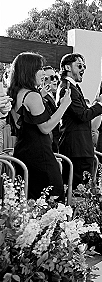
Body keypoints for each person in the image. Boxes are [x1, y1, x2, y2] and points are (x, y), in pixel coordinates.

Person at [7, 52, 72, 200]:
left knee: (30, 200)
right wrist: (63, 106)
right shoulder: (32, 95)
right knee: (52, 199)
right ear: (29, 71)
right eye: (40, 68)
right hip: (39, 154)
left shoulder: (16, 92)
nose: (43, 72)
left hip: (23, 151)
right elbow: (45, 127)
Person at [58, 53, 102, 188]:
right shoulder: (67, 88)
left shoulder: (73, 87)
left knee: (83, 190)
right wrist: (101, 104)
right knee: (78, 190)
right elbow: (82, 115)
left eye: (84, 66)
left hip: (80, 147)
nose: (83, 69)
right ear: (68, 67)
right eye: (79, 65)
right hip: (76, 148)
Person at [40, 66, 61, 152]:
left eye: (55, 77)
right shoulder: (39, 95)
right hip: (48, 139)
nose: (54, 80)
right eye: (51, 78)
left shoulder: (53, 95)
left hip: (55, 138)